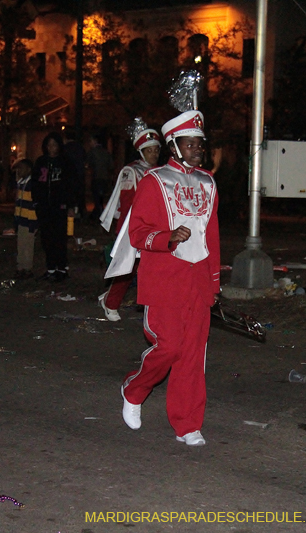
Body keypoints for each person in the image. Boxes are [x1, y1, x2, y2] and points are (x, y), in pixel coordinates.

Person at [118, 109, 220, 446]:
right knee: (170, 347)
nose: (196, 150)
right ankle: (135, 389)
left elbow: (213, 237)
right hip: (165, 281)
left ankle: (188, 423)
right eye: (189, 144)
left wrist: (214, 283)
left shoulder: (208, 182)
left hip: (198, 282)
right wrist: (166, 238)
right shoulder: (155, 180)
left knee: (193, 356)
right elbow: (137, 233)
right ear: (174, 145)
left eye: (199, 145)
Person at [98, 118, 161, 321]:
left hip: (154, 228)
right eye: (149, 150)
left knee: (152, 269)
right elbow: (127, 205)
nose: (154, 154)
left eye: (156, 150)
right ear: (141, 151)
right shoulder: (131, 171)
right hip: (132, 228)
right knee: (127, 268)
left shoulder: (160, 172)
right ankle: (111, 302)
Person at [31, 132, 77, 282]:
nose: (51, 148)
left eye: (54, 145)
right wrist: (36, 201)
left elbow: (72, 185)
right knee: (46, 238)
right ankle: (50, 268)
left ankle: (62, 268)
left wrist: (71, 205)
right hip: (44, 206)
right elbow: (35, 183)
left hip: (60, 206)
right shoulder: (40, 162)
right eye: (49, 145)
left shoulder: (65, 163)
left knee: (60, 238)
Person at [13, 158, 37, 279]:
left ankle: (27, 268)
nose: (18, 171)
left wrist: (34, 222)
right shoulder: (21, 183)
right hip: (21, 219)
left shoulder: (31, 184)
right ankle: (20, 266)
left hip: (29, 220)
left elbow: (33, 205)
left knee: (28, 245)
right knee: (21, 244)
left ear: (29, 170)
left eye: (21, 168)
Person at [87, 132, 114, 220]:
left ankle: (99, 215)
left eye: (90, 141)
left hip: (96, 177)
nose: (89, 143)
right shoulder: (105, 152)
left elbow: (88, 163)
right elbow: (111, 165)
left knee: (97, 198)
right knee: (100, 198)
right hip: (104, 177)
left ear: (95, 141)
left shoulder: (92, 152)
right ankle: (98, 214)